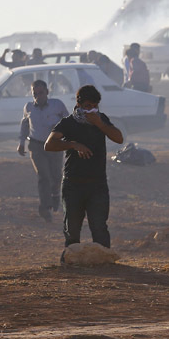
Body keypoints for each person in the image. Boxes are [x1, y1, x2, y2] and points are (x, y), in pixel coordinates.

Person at [44, 85, 123, 254]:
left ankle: (103, 261)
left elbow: (118, 138)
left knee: (99, 226)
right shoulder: (68, 123)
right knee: (72, 227)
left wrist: (100, 124)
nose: (92, 110)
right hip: (73, 184)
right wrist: (73, 144)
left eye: (95, 106)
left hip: (97, 184)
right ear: (79, 104)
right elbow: (49, 144)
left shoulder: (101, 119)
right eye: (88, 106)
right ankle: (72, 261)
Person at [18, 80, 69, 223]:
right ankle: (45, 207)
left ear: (47, 92)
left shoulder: (57, 105)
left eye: (40, 93)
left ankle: (55, 196)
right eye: (35, 94)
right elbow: (24, 124)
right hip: (36, 146)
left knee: (56, 175)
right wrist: (21, 142)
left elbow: (68, 121)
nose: (38, 96)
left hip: (55, 145)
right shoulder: (28, 107)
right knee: (43, 175)